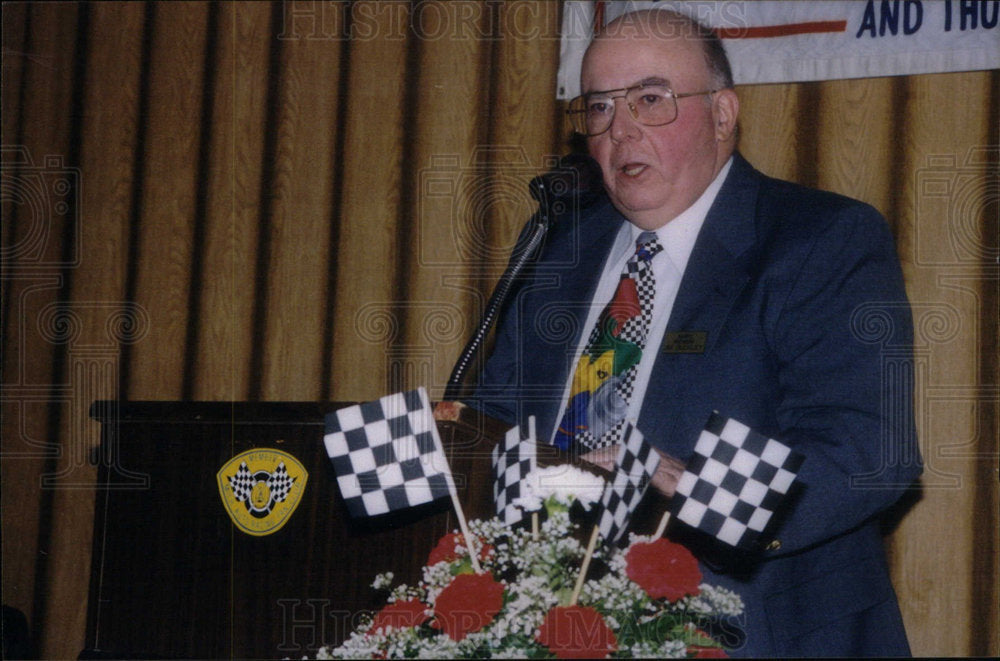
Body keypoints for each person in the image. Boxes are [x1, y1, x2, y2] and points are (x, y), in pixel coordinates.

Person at [469, 8, 922, 658]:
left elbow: (871, 451)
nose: (619, 129)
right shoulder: (557, 255)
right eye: (598, 107)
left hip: (752, 634)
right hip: (555, 629)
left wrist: (691, 483)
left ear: (722, 113)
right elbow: (490, 427)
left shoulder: (819, 239)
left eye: (649, 99)